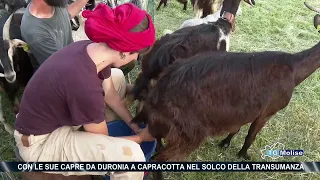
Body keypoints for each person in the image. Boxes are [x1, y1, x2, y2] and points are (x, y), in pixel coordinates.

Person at [14, 3, 156, 179]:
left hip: (48, 118)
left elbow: (110, 95)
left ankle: (98, 121)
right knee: (131, 156)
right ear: (124, 52)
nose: (135, 58)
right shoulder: (84, 85)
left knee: (116, 77)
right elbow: (103, 141)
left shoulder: (92, 50)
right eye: (137, 54)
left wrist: (133, 124)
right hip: (40, 143)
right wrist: (141, 138)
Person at [21, 0, 89, 69]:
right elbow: (63, 69)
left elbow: (65, 15)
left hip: (70, 56)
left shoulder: (52, 4)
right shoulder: (36, 33)